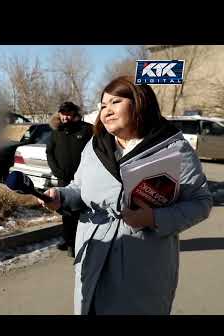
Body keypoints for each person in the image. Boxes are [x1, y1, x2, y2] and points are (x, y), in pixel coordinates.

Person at [40, 76, 213, 315]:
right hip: (93, 255)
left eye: (115, 102)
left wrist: (153, 218)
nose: (106, 111)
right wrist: (60, 196)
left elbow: (200, 202)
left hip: (141, 264)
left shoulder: (173, 148)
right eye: (102, 105)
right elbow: (79, 188)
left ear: (139, 102)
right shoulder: (95, 146)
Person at [46, 102, 93, 257]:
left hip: (83, 179)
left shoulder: (86, 129)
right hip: (63, 178)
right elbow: (50, 152)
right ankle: (69, 241)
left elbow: (97, 149)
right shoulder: (56, 131)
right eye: (62, 113)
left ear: (74, 114)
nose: (65, 117)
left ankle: (83, 240)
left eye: (68, 113)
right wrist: (56, 171)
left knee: (81, 209)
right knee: (66, 211)